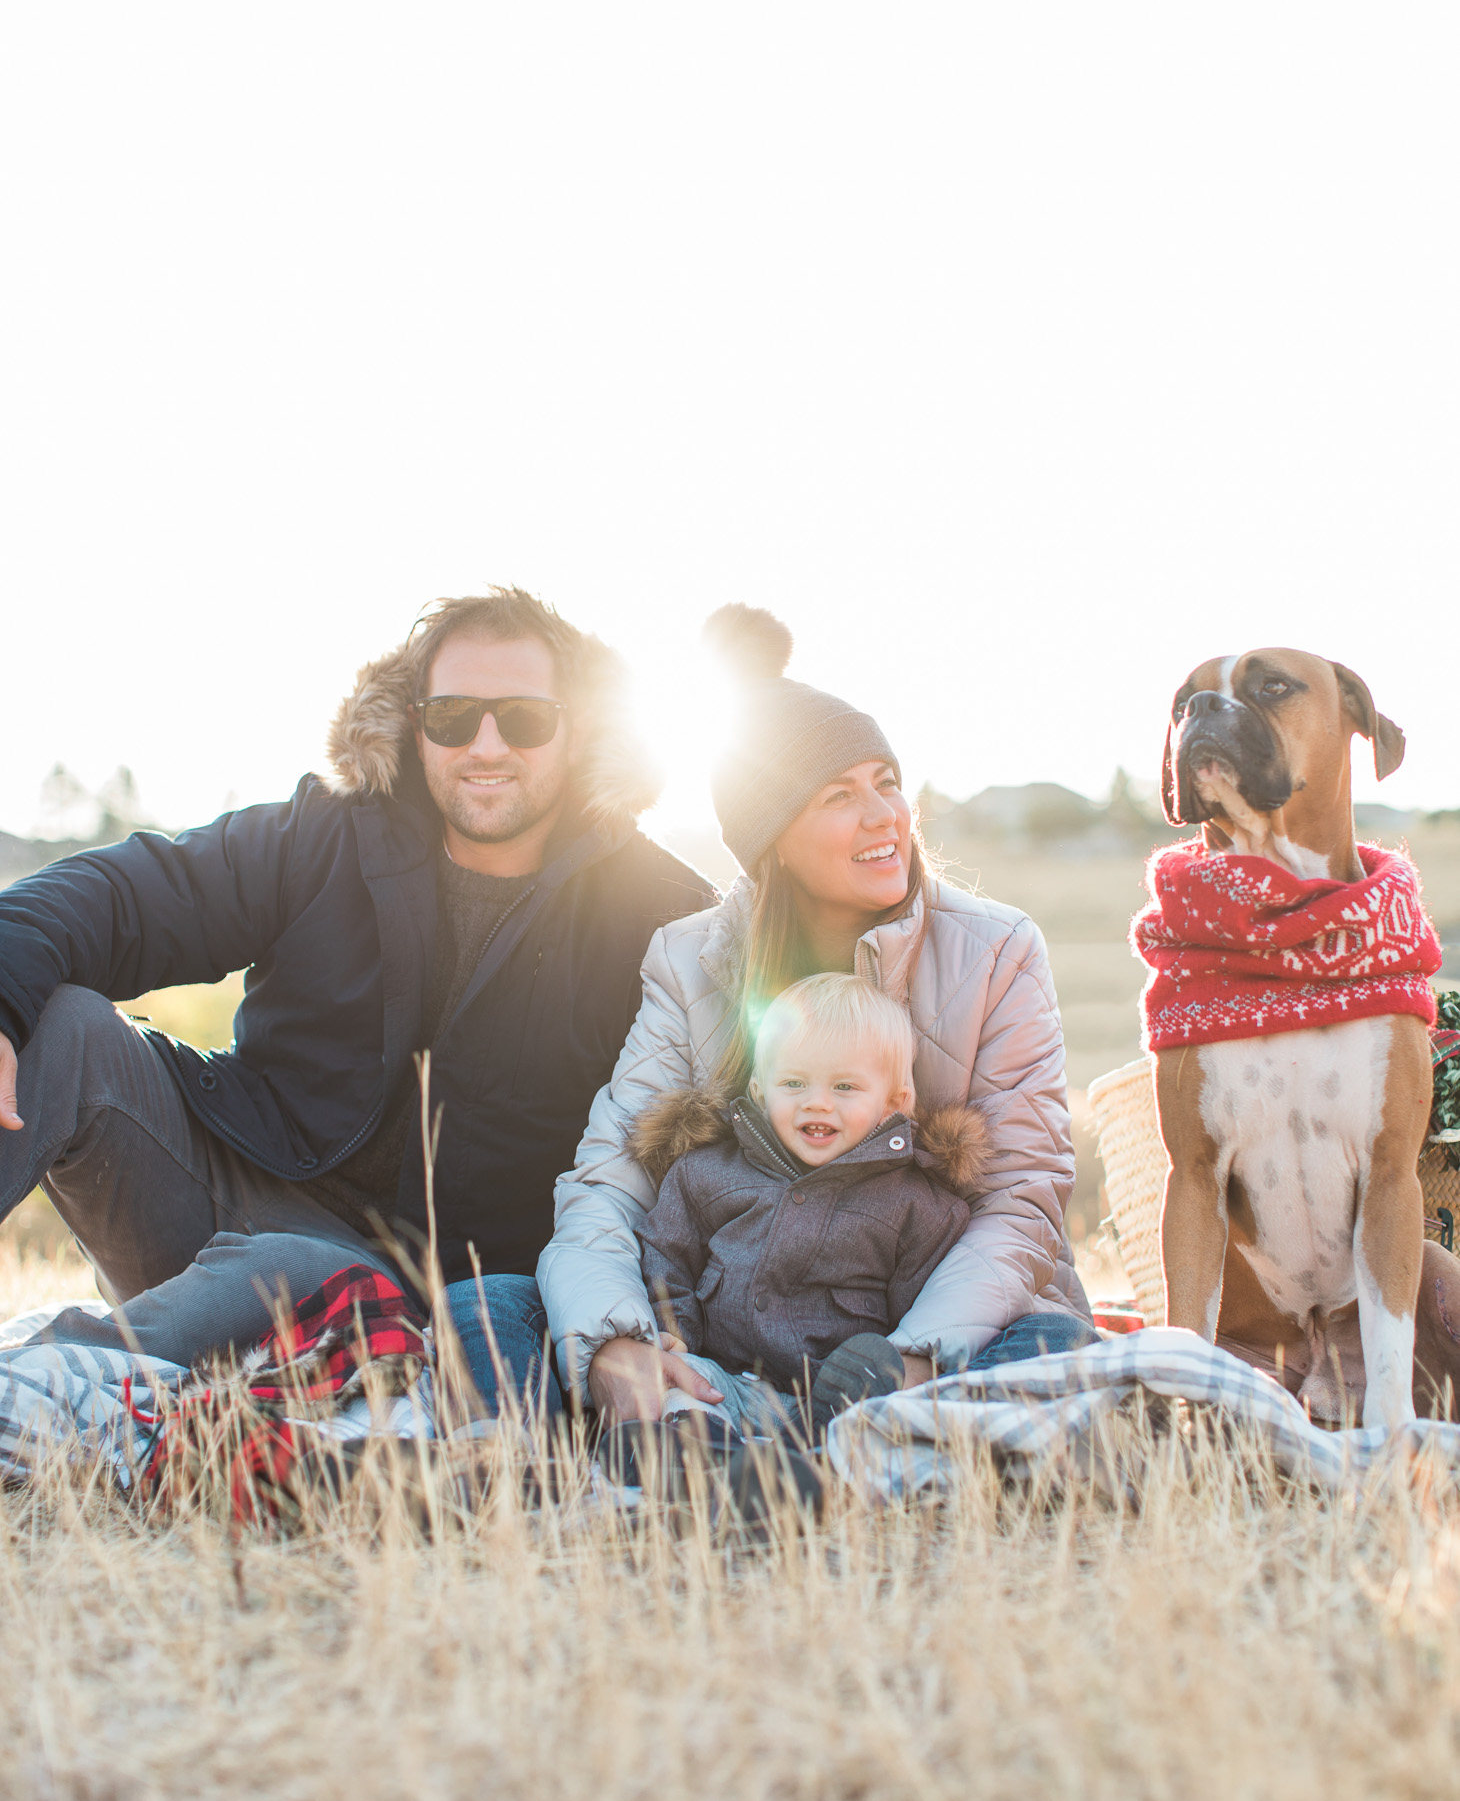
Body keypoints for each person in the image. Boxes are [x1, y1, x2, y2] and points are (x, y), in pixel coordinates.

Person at [0, 589, 714, 1400]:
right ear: (415, 725)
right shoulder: (326, 835)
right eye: (452, 716)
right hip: (224, 1196)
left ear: (577, 729)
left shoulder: (660, 912)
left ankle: (49, 1384)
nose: (486, 745)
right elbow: (122, 896)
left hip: (421, 1299)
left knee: (295, 1271)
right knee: (56, 1025)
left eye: (523, 719)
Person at [538, 603, 1097, 1423]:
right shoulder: (690, 960)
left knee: (1057, 1349)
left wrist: (913, 1359)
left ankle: (865, 1443)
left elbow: (1022, 1201)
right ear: (775, 840)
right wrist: (620, 1344)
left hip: (942, 1338)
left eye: (888, 783)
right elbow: (607, 1184)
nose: (886, 817)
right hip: (734, 1350)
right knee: (505, 1305)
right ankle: (667, 1448)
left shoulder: (998, 949)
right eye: (839, 795)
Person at [628, 972, 993, 1448]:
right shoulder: (708, 1174)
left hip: (837, 1403)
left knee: (884, 1396)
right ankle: (695, 1457)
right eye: (794, 1082)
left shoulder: (915, 1205)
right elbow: (665, 1251)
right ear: (760, 1092)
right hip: (726, 1383)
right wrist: (672, 1329)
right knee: (679, 1386)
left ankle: (808, 1459)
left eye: (844, 1087)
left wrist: (894, 1368)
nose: (817, 1103)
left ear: (893, 1105)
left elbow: (922, 1318)